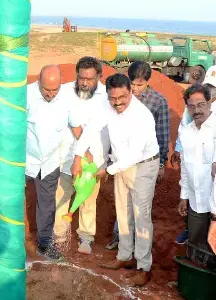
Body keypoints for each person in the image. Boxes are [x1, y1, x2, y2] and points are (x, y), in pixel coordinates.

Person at [72, 73, 160, 287]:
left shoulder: (142, 115)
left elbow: (135, 154)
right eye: (113, 98)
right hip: (120, 165)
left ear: (130, 91)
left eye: (122, 97)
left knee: (141, 216)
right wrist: (77, 157)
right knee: (122, 212)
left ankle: (143, 267)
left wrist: (107, 171)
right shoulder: (106, 105)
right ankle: (124, 256)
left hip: (143, 166)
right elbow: (91, 129)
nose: (117, 103)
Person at [106, 61, 171, 250]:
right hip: (122, 162)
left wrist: (161, 165)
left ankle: (139, 249)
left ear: (148, 82)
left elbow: (162, 135)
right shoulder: (120, 97)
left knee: (139, 208)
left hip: (143, 163)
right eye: (132, 84)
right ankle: (121, 241)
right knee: (123, 206)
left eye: (139, 85)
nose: (135, 88)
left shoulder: (158, 102)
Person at [26, 65, 83, 260]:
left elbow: (77, 129)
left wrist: (83, 153)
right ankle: (8, 242)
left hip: (50, 161)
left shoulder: (67, 98)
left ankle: (44, 245)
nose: (50, 94)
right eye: (46, 90)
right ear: (38, 81)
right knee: (13, 198)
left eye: (54, 90)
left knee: (47, 205)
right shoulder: (25, 95)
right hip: (24, 160)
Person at [54, 57, 110, 255]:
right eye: (81, 78)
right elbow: (71, 123)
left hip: (94, 161)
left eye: (90, 79)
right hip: (66, 157)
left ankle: (86, 238)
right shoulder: (65, 92)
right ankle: (59, 237)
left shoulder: (106, 96)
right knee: (62, 197)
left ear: (99, 77)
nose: (85, 83)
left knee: (87, 200)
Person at [171, 65, 216, 244]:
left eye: (201, 105)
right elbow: (185, 167)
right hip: (196, 204)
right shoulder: (186, 132)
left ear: (209, 103)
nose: (197, 110)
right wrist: (184, 195)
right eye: (192, 107)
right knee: (197, 247)